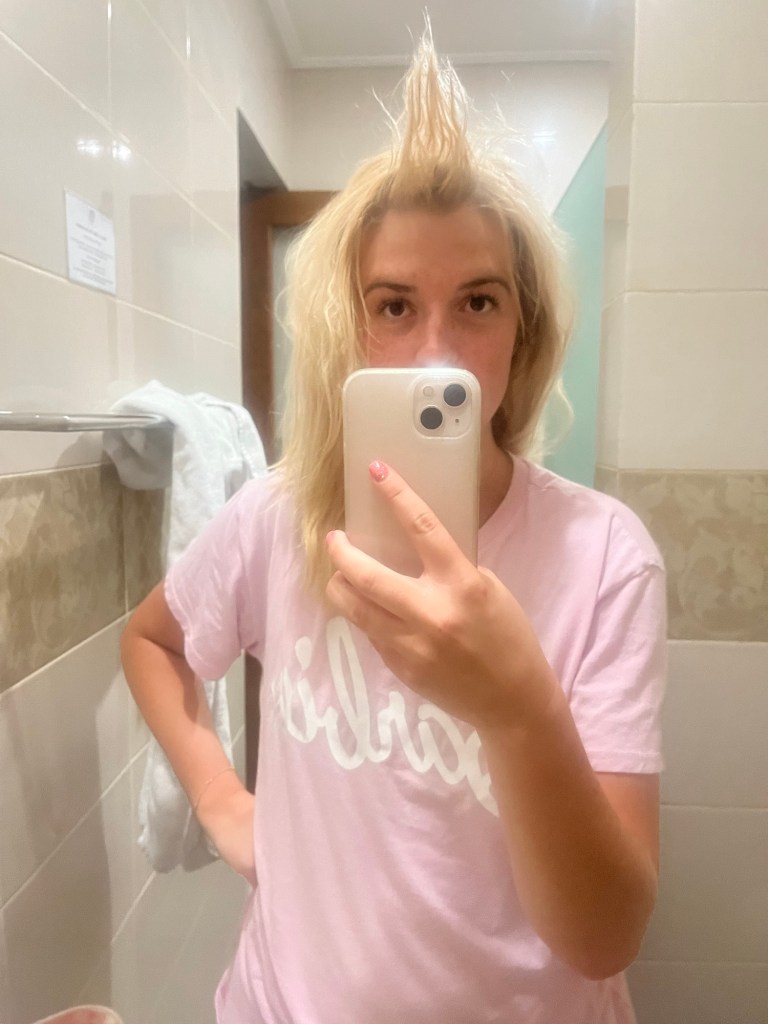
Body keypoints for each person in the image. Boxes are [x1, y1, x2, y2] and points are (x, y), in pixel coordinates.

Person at [122, 33, 666, 1024]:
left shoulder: (603, 557)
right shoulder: (279, 514)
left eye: (479, 301)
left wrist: (519, 708)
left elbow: (605, 938)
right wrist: (219, 798)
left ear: (525, 332)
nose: (436, 353)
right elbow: (152, 640)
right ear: (350, 327)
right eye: (394, 305)